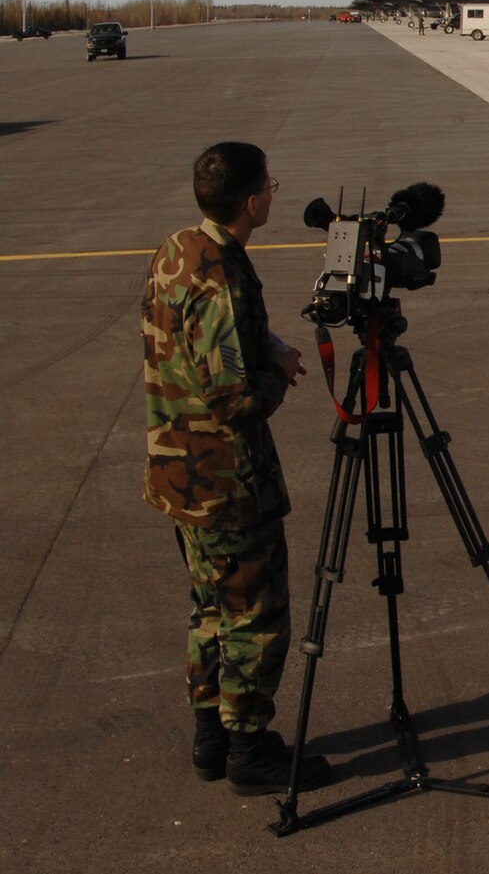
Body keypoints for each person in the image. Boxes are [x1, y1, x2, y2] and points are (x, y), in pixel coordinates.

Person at [142, 142, 332, 796]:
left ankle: (211, 736)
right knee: (254, 615)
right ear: (252, 200)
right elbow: (233, 401)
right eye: (269, 187)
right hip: (225, 483)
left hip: (176, 472)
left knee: (209, 610)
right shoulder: (224, 276)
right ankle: (249, 745)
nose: (272, 196)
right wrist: (277, 372)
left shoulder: (176, 251)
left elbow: (182, 343)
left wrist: (260, 345)